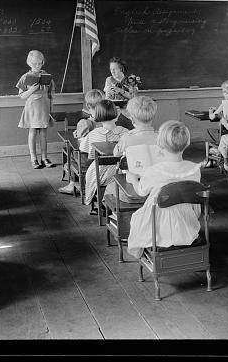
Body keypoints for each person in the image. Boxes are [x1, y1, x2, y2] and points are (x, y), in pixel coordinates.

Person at [127, 120, 201, 259]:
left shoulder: (155, 170)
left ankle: (151, 247)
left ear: (160, 144)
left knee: (136, 218)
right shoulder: (194, 168)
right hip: (186, 218)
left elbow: (141, 192)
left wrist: (133, 180)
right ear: (187, 143)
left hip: (158, 220)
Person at [104, 96, 159, 202]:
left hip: (130, 190)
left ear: (132, 119)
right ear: (153, 117)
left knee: (109, 189)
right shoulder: (161, 138)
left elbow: (116, 154)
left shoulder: (127, 138)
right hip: (157, 191)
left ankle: (113, 217)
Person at [79, 100, 129, 214]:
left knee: (91, 173)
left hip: (98, 171)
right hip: (120, 171)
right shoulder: (126, 133)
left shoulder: (93, 134)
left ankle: (97, 202)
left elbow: (89, 154)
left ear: (97, 115)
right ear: (116, 114)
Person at [16, 50, 56, 169]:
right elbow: (22, 96)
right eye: (34, 64)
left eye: (39, 63)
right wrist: (31, 90)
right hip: (32, 108)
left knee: (43, 133)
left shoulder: (47, 76)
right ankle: (33, 158)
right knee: (33, 132)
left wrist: (52, 105)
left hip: (44, 107)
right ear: (29, 63)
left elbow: (51, 92)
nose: (37, 66)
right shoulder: (25, 77)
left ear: (42, 62)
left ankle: (44, 157)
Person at [204, 78, 228, 168]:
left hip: (226, 132)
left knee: (210, 131)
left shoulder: (224, 104)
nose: (222, 94)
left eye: (224, 92)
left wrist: (211, 112)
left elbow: (212, 117)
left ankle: (212, 156)